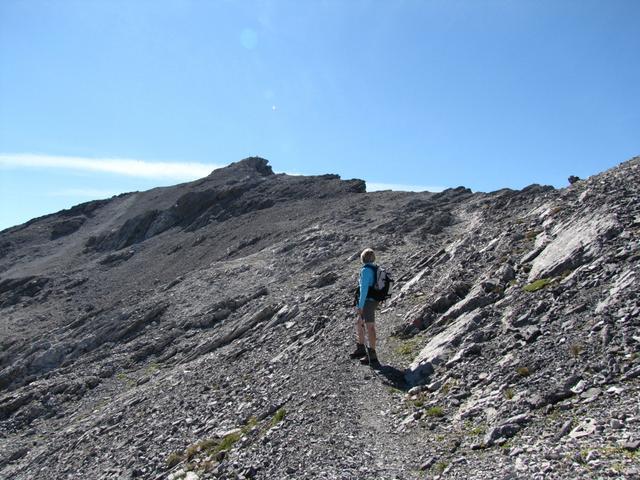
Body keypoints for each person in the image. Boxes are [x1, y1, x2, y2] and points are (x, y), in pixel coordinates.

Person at [349, 248, 381, 368]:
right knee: (359, 323)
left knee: (370, 327)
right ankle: (361, 348)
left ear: (362, 259)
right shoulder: (376, 268)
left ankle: (372, 355)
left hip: (368, 302)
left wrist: (360, 306)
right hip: (373, 300)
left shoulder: (366, 270)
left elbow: (363, 290)